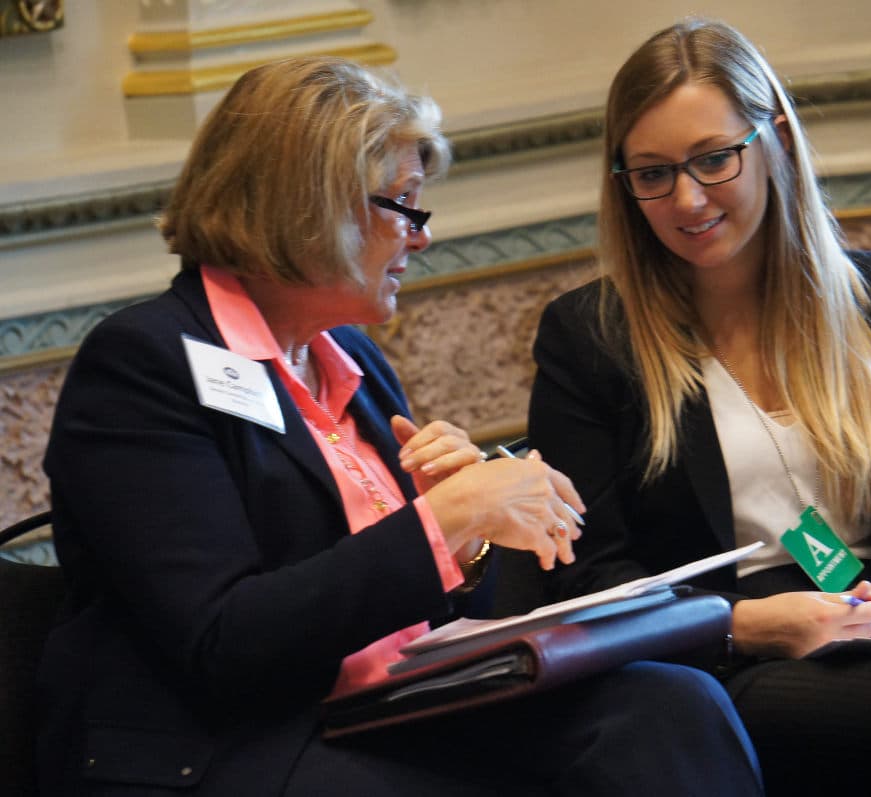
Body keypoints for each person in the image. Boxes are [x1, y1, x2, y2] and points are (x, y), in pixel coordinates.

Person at [37, 56, 764, 796]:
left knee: (665, 705)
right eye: (405, 205)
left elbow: (432, 617)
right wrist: (439, 523)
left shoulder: (346, 355)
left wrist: (470, 540)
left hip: (392, 707)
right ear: (309, 206)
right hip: (230, 741)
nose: (421, 238)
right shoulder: (145, 363)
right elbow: (223, 642)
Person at [528, 18, 871, 797]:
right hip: (724, 653)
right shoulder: (590, 336)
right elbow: (590, 577)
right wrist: (743, 623)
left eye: (714, 159)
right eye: (651, 173)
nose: (686, 199)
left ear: (776, 140)